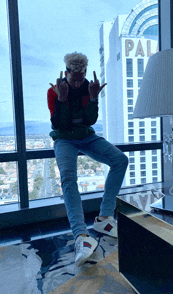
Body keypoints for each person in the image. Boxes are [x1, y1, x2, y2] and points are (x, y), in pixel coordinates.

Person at [47, 52, 128, 267]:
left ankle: (104, 218)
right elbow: (60, 125)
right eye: (73, 78)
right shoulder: (53, 91)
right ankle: (81, 236)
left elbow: (90, 119)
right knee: (68, 178)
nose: (76, 82)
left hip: (86, 135)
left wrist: (93, 98)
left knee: (120, 160)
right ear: (66, 73)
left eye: (80, 78)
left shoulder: (87, 88)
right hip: (64, 139)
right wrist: (62, 99)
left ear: (84, 74)